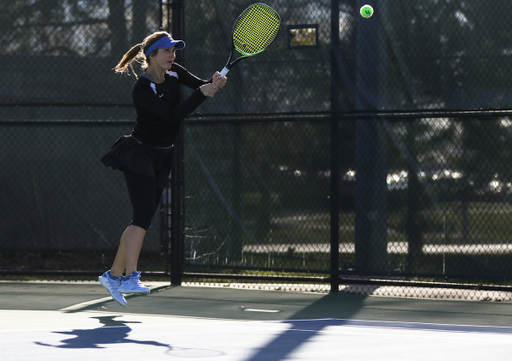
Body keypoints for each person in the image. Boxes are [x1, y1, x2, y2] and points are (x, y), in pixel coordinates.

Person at [98, 31, 227, 306]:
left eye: (174, 51)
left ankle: (112, 276)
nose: (173, 55)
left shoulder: (175, 72)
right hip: (139, 153)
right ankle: (131, 276)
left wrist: (213, 82)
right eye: (167, 51)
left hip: (163, 155)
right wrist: (203, 93)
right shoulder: (142, 89)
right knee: (142, 216)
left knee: (141, 219)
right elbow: (172, 116)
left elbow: (200, 85)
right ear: (152, 55)